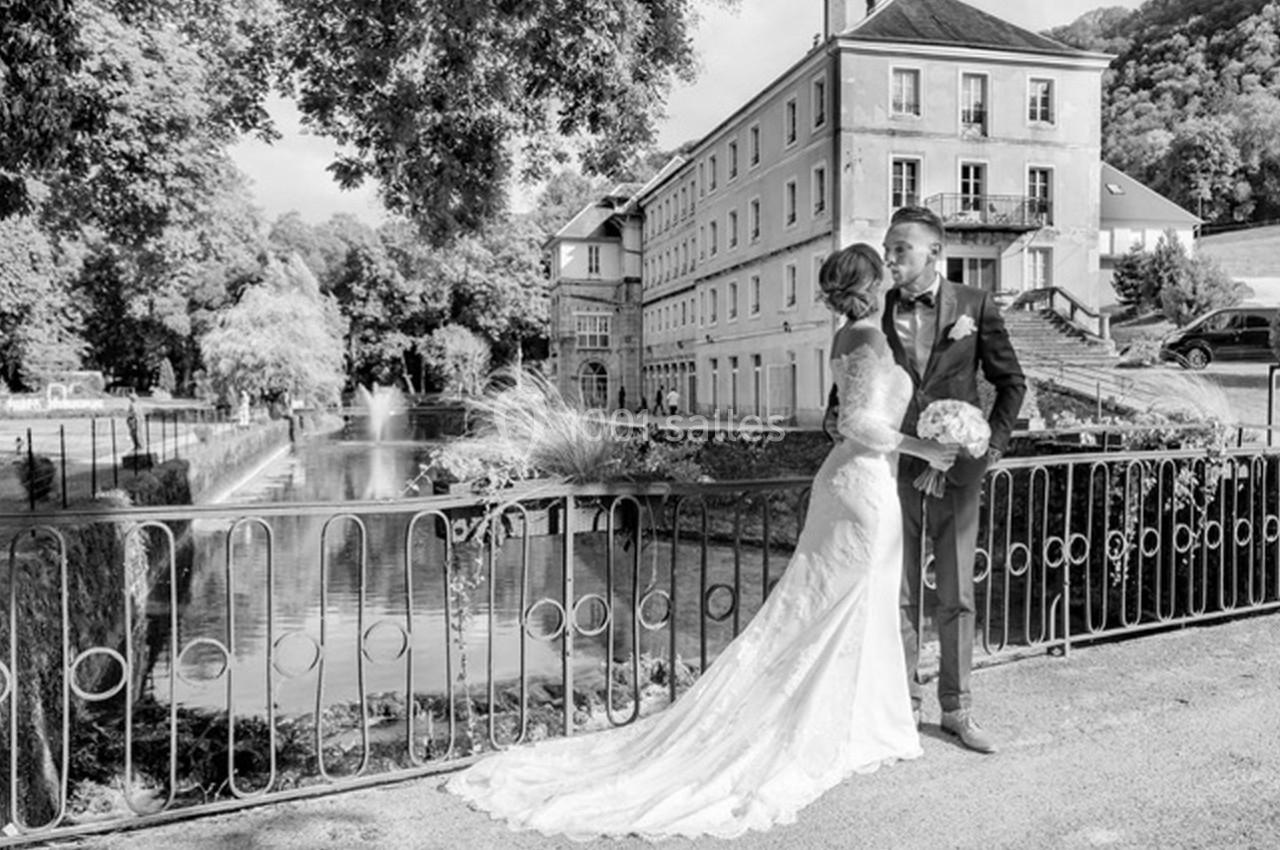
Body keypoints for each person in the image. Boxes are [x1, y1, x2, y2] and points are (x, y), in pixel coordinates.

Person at [444, 243, 958, 839]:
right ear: (869, 284)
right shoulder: (867, 341)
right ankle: (852, 724)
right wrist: (927, 446)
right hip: (863, 488)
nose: (896, 271)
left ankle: (863, 718)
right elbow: (857, 424)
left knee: (831, 607)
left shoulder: (849, 338)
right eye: (886, 267)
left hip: (851, 483)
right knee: (842, 605)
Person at [878, 205, 1025, 753]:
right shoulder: (875, 308)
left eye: (901, 249)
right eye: (888, 249)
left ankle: (958, 710)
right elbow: (848, 397)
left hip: (960, 473)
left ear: (934, 252)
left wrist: (989, 448)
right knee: (900, 593)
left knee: (958, 595)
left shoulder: (975, 305)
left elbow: (1012, 383)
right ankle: (901, 707)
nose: (890, 259)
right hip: (896, 470)